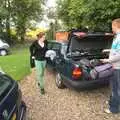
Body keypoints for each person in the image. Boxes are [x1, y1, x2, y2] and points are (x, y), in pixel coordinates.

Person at [101, 18, 120, 113]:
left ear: (116, 26)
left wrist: (107, 60)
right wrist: (107, 50)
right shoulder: (117, 36)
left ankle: (114, 109)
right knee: (113, 87)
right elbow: (116, 50)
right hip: (114, 66)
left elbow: (119, 54)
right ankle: (112, 102)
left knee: (116, 89)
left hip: (118, 68)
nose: (111, 28)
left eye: (112, 26)